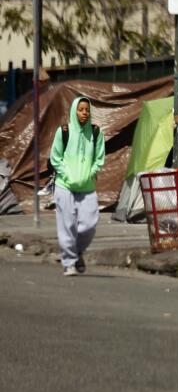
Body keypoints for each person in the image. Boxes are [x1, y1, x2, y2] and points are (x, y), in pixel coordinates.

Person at [49, 97, 104, 277]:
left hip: (87, 187)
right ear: (74, 111)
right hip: (65, 186)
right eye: (80, 110)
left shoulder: (95, 133)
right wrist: (66, 174)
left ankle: (77, 252)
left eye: (86, 110)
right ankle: (69, 262)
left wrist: (90, 173)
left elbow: (99, 159)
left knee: (89, 225)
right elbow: (55, 158)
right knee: (67, 226)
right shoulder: (63, 132)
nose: (84, 113)